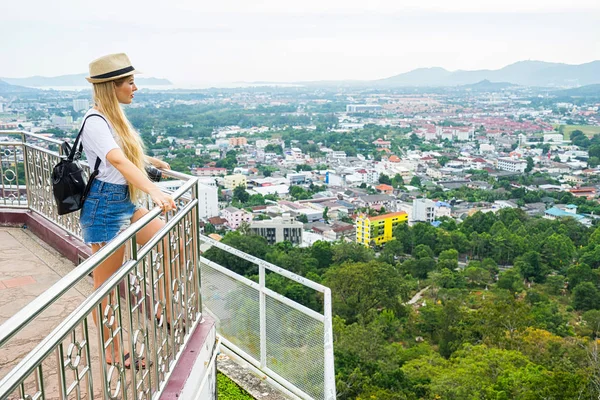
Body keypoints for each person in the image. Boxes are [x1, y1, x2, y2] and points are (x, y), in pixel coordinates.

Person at [80, 53, 176, 369]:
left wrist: (149, 164)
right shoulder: (94, 121)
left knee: (165, 239)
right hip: (103, 208)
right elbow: (116, 162)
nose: (135, 88)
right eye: (130, 82)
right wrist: (154, 190)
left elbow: (124, 159)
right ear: (113, 86)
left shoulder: (112, 118)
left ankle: (162, 307)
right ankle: (113, 350)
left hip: (122, 201)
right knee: (105, 287)